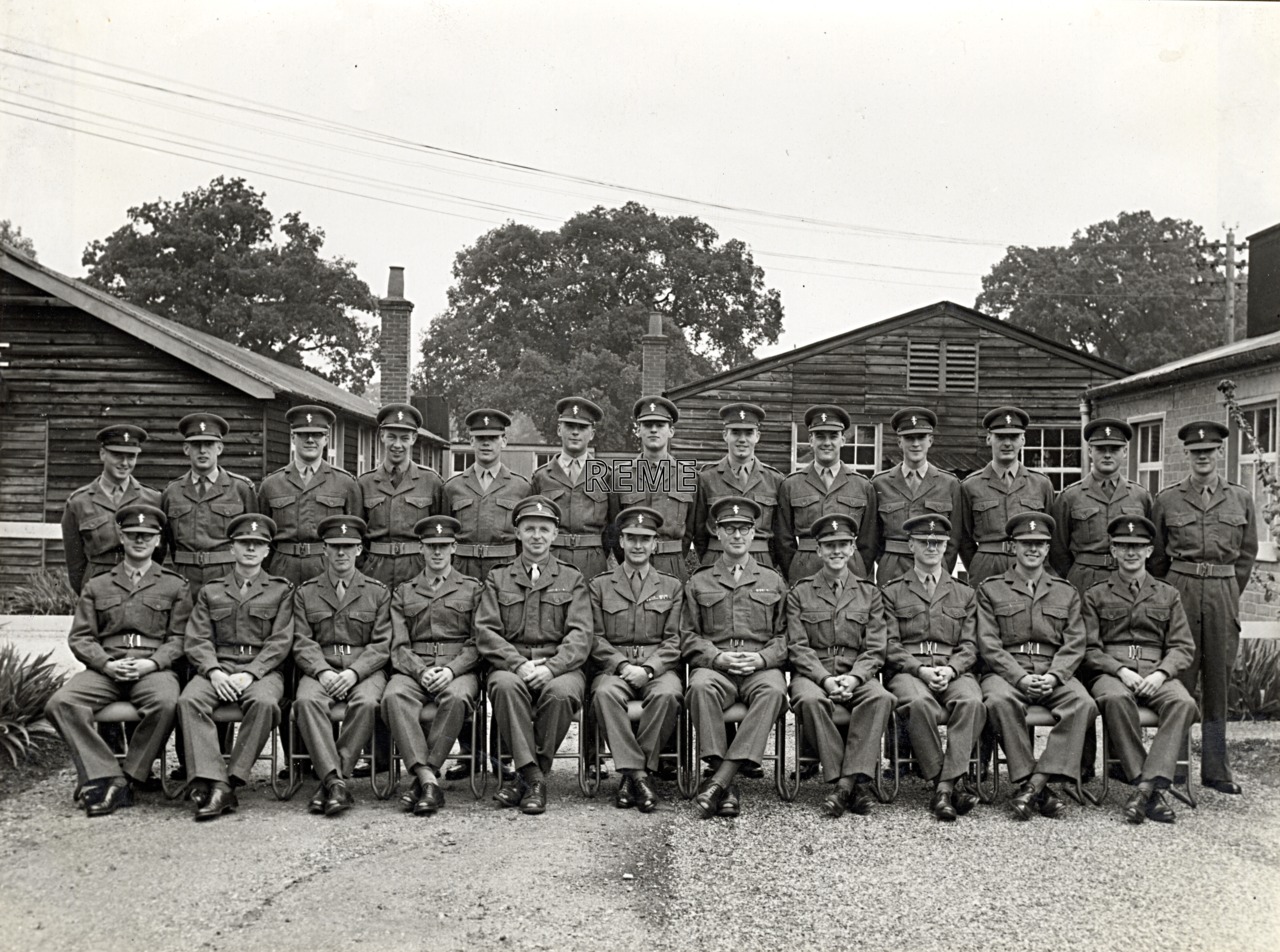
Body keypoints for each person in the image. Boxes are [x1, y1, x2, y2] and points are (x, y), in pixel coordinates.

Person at [45, 504, 192, 816]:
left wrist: (152, 664)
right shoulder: (98, 584)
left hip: (152, 668)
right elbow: (81, 636)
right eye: (133, 535)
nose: (140, 540)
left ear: (157, 542)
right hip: (107, 668)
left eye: (147, 536)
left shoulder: (175, 585)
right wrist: (106, 664)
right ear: (122, 539)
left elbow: (180, 638)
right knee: (61, 703)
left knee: (167, 702)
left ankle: (129, 776)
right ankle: (106, 774)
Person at [1151, 421, 1258, 795]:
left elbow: (1247, 554)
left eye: (1208, 452)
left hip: (1223, 590)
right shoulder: (1167, 499)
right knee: (1179, 677)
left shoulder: (1240, 498)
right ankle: (1175, 767)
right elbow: (1158, 556)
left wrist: (1226, 589)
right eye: (1196, 453)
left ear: (1219, 454)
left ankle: (1216, 769)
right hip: (1180, 586)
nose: (1202, 458)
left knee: (1218, 682)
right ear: (1186, 455)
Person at [475, 496, 593, 815]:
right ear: (517, 533)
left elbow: (581, 635)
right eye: (530, 529)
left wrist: (552, 669)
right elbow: (486, 632)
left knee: (560, 695)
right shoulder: (498, 578)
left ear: (555, 534)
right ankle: (533, 777)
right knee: (503, 686)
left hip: (560, 667)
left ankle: (526, 777)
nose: (537, 536)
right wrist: (517, 664)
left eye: (544, 529)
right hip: (512, 664)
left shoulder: (572, 578)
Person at [977, 513, 1095, 820]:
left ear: (1047, 548)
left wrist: (1055, 676)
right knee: (998, 701)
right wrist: (1019, 678)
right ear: (1012, 546)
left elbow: (1075, 643)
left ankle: (1035, 784)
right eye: (1026, 543)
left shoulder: (1065, 591)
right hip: (1007, 670)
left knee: (1082, 703)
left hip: (1052, 668)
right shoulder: (991, 589)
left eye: (1040, 544)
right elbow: (988, 644)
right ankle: (1036, 786)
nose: (1034, 549)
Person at [176, 514, 295, 820]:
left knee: (266, 703)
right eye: (244, 543)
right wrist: (214, 672)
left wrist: (251, 673)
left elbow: (280, 642)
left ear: (268, 551)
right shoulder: (211, 590)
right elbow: (197, 639)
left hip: (262, 670)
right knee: (189, 701)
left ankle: (229, 780)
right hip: (219, 665)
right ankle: (214, 778)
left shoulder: (280, 590)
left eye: (258, 544)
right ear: (232, 548)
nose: (251, 549)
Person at [1082, 516, 1198, 824]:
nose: (1130, 552)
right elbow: (1090, 648)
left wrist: (1161, 673)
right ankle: (1148, 786)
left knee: (1183, 703)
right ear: (1113, 550)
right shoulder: (1096, 594)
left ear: (1149, 551)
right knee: (1114, 699)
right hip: (1113, 673)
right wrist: (1120, 670)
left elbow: (1182, 647)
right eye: (1123, 546)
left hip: (1156, 671)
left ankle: (1144, 790)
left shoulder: (1167, 594)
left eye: (1138, 547)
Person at [682, 496, 788, 819]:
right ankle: (726, 783)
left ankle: (718, 782)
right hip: (719, 668)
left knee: (774, 690)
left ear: (754, 533)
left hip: (759, 667)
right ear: (718, 533)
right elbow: (688, 636)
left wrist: (761, 660)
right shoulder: (699, 581)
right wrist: (717, 658)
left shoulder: (773, 580)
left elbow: (785, 637)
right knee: (699, 687)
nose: (737, 535)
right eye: (729, 528)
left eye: (744, 528)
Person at [786, 513, 894, 818]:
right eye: (829, 545)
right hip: (814, 672)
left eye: (843, 544)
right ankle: (851, 783)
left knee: (881, 697)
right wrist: (826, 680)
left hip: (856, 670)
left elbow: (875, 648)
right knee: (809, 699)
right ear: (818, 550)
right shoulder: (800, 592)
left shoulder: (869, 593)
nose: (837, 551)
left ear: (852, 549)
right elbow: (797, 646)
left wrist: (856, 678)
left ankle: (843, 787)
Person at [881, 514, 984, 821]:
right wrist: (919, 670)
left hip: (953, 669)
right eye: (924, 542)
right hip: (909, 671)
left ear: (946, 547)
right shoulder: (892, 591)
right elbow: (889, 644)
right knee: (918, 702)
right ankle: (947, 783)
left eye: (937, 542)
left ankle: (944, 788)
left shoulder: (964, 593)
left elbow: (970, 645)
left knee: (972, 701)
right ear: (911, 545)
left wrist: (952, 670)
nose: (931, 547)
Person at [380, 515, 483, 817]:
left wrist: (451, 670)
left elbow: (479, 641)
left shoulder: (472, 589)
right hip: (415, 667)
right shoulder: (404, 591)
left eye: (443, 546)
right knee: (393, 696)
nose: (437, 552)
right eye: (430, 546)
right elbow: (398, 645)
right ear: (420, 549)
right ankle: (429, 781)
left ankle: (424, 776)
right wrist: (420, 671)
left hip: (458, 668)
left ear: (454, 548)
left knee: (457, 697)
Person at [290, 515, 392, 816]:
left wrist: (354, 672)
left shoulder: (376, 592)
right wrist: (322, 670)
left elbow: (382, 644)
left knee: (368, 702)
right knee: (306, 702)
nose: (341, 553)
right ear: (324, 549)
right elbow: (301, 640)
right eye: (335, 547)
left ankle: (332, 780)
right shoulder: (306, 592)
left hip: (363, 670)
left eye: (348, 547)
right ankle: (337, 782)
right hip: (320, 667)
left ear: (360, 550)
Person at [588, 505, 683, 813]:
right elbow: (595, 637)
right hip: (616, 667)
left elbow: (675, 639)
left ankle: (631, 777)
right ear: (621, 542)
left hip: (657, 667)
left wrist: (650, 669)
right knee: (603, 694)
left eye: (645, 539)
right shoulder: (600, 585)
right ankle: (640, 775)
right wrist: (623, 666)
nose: (638, 545)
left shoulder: (671, 586)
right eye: (631, 538)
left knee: (669, 694)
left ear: (655, 543)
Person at [258, 405, 363, 587]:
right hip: (282, 567)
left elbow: (358, 534)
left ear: (326, 439)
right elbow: (261, 534)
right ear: (292, 438)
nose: (310, 440)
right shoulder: (271, 484)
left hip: (327, 566)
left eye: (316, 434)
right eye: (302, 434)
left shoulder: (345, 483)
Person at [776, 405, 878, 584]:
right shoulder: (791, 484)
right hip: (805, 571)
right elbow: (784, 541)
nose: (827, 443)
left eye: (833, 436)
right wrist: (796, 568)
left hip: (850, 570)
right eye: (820, 436)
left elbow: (869, 541)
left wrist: (858, 568)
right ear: (810, 440)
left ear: (843, 440)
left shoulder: (862, 485)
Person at [161, 412, 257, 599]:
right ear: (186, 449)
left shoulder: (240, 489)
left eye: (209, 444)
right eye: (196, 445)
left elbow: (255, 539)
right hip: (184, 577)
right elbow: (166, 544)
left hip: (228, 576)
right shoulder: (172, 492)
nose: (203, 451)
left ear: (219, 448)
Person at [1050, 418, 1153, 593]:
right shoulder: (1070, 496)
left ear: (1125, 451)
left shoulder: (1140, 496)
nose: (1107, 455)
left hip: (1128, 578)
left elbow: (1153, 545)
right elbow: (1057, 549)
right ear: (1090, 451)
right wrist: (1076, 575)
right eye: (1100, 449)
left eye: (1114, 449)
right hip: (1084, 580)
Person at [958, 407, 1055, 586]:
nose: (1007, 443)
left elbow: (1051, 534)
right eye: (1001, 437)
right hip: (987, 567)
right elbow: (964, 538)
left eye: (1014, 437)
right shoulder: (971, 485)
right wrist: (979, 564)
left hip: (1030, 566)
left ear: (1023, 440)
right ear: (989, 439)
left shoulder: (1041, 484)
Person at [61, 424, 164, 594]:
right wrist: (88, 591)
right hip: (98, 586)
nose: (124, 463)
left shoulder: (152, 499)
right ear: (103, 454)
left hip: (142, 586)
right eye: (117, 455)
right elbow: (75, 562)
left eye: (131, 456)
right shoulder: (79, 502)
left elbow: (161, 551)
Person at [359, 402, 446, 591]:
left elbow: (442, 533)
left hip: (418, 568)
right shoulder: (365, 483)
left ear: (414, 438)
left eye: (404, 438)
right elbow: (357, 535)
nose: (397, 445)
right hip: (375, 569)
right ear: (382, 436)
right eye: (391, 437)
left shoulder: (431, 481)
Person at [872, 407, 961, 584]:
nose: (915, 444)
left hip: (934, 566)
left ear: (930, 440)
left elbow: (955, 537)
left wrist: (941, 566)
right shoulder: (880, 483)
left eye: (921, 437)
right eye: (909, 438)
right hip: (892, 567)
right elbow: (873, 538)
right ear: (899, 442)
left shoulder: (949, 483)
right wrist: (887, 561)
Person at [531, 396, 616, 581]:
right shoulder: (541, 477)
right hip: (551, 557)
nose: (575, 432)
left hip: (592, 561)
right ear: (559, 429)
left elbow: (613, 526)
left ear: (592, 433)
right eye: (570, 426)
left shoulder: (605, 475)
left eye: (582, 427)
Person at [693, 402, 786, 570]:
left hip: (760, 561)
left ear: (757, 436)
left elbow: (780, 535)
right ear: (725, 435)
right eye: (735, 432)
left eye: (749, 433)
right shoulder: (706, 477)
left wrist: (766, 559)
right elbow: (699, 532)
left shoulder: (775, 479)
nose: (742, 439)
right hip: (716, 559)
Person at [444, 408, 532, 582]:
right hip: (462, 570)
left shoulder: (521, 487)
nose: (486, 443)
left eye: (492, 438)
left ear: (504, 441)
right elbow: (443, 534)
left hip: (506, 569)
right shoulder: (452, 487)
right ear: (471, 441)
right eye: (480, 438)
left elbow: (526, 538)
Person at [615, 396, 698, 580]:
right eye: (647, 425)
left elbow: (692, 529)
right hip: (631, 566)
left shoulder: (688, 476)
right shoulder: (620, 475)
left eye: (660, 425)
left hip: (672, 565)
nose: (653, 429)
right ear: (638, 430)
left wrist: (672, 555)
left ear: (671, 431)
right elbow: (614, 530)